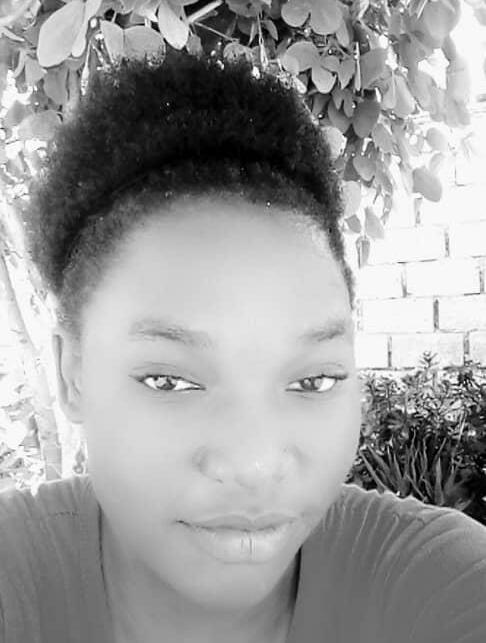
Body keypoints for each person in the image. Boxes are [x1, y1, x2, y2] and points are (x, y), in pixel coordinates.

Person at [0, 50, 485, 643]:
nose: (255, 466)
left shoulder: (436, 581)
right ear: (71, 374)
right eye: (170, 381)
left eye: (314, 380)